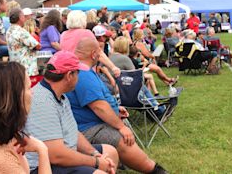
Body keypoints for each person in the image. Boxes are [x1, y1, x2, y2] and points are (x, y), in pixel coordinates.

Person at [66, 37, 168, 174]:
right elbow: (98, 107)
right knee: (121, 137)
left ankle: (130, 163)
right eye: (100, 52)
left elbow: (96, 102)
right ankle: (153, 169)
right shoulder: (83, 74)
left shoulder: (83, 69)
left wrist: (115, 109)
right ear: (93, 54)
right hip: (87, 129)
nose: (102, 55)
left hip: (91, 123)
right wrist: (120, 126)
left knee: (121, 132)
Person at [24, 51, 118, 173]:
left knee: (110, 151)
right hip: (42, 166)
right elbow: (56, 156)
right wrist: (95, 162)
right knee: (98, 172)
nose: (79, 78)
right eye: (78, 73)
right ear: (69, 75)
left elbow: (73, 131)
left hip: (60, 157)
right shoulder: (42, 101)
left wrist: (94, 153)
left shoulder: (60, 95)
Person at [6, 8, 41, 86]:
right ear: (20, 17)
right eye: (23, 16)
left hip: (15, 67)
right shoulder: (21, 31)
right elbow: (37, 45)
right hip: (27, 68)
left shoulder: (9, 30)